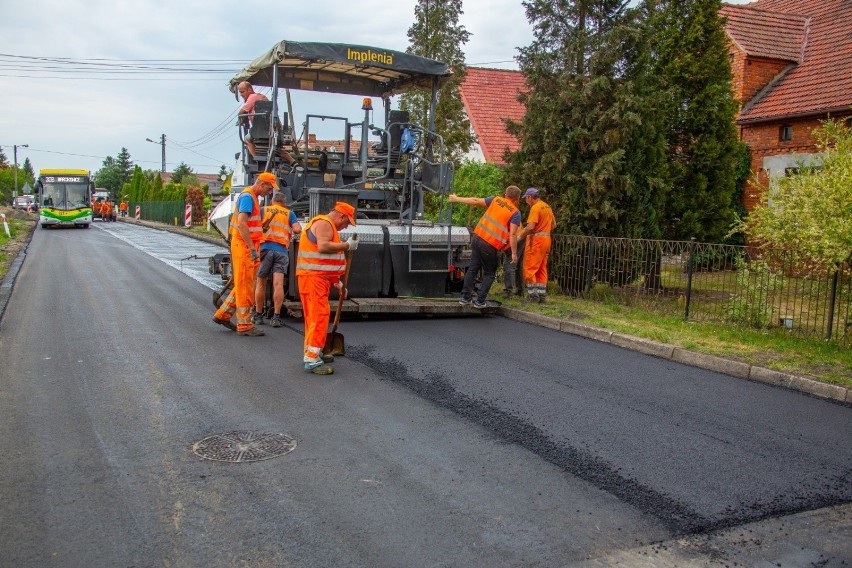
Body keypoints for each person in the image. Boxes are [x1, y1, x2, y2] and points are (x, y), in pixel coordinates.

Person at [295, 201, 358, 374]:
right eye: (346, 223)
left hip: (317, 278)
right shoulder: (324, 223)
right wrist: (346, 246)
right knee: (319, 316)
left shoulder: (327, 226)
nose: (345, 227)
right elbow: (323, 247)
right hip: (313, 279)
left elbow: (323, 261)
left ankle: (314, 351)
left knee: (314, 317)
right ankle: (312, 359)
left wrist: (337, 283)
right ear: (341, 216)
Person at [212, 172, 277, 336]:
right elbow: (242, 224)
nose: (270, 192)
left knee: (244, 284)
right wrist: (252, 248)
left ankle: (223, 314)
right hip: (244, 246)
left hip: (248, 245)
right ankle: (245, 325)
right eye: (269, 188)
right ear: (261, 184)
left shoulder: (253, 197)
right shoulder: (248, 197)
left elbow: (249, 224)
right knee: (246, 287)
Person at [449, 185, 522, 308]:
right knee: (490, 273)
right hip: (490, 244)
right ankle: (480, 301)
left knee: (473, 268)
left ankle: (465, 297)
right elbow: (513, 234)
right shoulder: (515, 213)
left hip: (477, 238)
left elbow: (475, 201)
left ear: (505, 194)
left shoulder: (495, 200)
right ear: (517, 199)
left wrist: (456, 198)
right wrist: (514, 254)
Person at [253, 192, 302, 328]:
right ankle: (276, 317)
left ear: (272, 201)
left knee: (261, 283)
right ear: (284, 203)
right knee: (278, 284)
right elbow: (297, 229)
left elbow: (253, 225)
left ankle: (258, 315)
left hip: (265, 250)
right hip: (281, 251)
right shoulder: (289, 213)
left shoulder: (263, 210)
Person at [516, 187, 556, 303]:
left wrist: (520, 236)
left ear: (529, 197)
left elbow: (531, 227)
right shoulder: (547, 206)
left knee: (529, 267)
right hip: (546, 239)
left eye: (526, 198)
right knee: (541, 268)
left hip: (536, 241)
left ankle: (532, 296)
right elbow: (553, 225)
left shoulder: (535, 208)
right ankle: (541, 296)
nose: (526, 201)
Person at [237, 81, 269, 158]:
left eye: (242, 92)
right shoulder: (262, 97)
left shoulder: (252, 97)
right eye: (240, 92)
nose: (241, 95)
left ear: (249, 89)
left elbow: (241, 113)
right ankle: (292, 161)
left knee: (247, 139)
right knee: (277, 147)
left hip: (260, 129)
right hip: (271, 129)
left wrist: (240, 120)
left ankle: (255, 158)